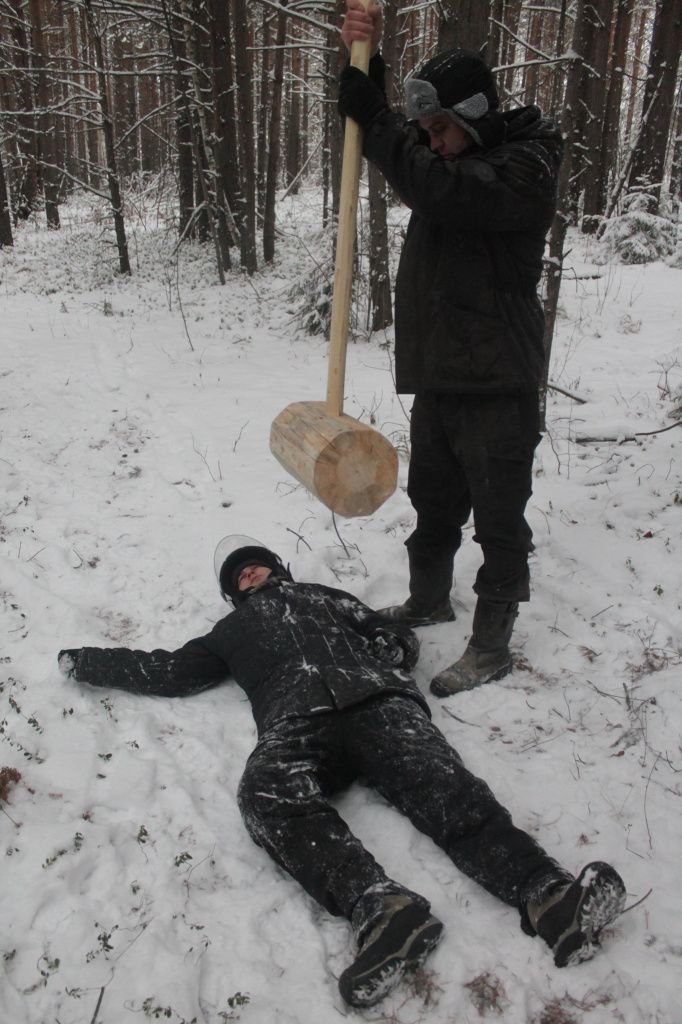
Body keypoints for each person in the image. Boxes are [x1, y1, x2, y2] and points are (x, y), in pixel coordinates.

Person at [58, 536, 626, 1010]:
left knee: (447, 791)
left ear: (278, 569)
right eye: (239, 574)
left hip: (377, 702)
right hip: (297, 722)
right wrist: (89, 661)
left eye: (256, 563)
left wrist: (391, 647)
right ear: (232, 593)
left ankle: (550, 896)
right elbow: (169, 671)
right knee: (265, 793)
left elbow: (390, 632)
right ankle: (382, 911)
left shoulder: (323, 597)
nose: (250, 572)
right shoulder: (226, 635)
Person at [338, 2, 564, 696]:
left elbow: (439, 188)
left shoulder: (524, 166)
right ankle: (429, 599)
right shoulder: (456, 160)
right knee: (433, 502)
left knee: (499, 518)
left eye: (439, 128)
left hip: (498, 380)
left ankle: (491, 644)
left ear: (472, 116)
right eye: (425, 129)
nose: (430, 142)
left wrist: (378, 120)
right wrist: (365, 67)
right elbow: (417, 162)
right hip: (443, 374)